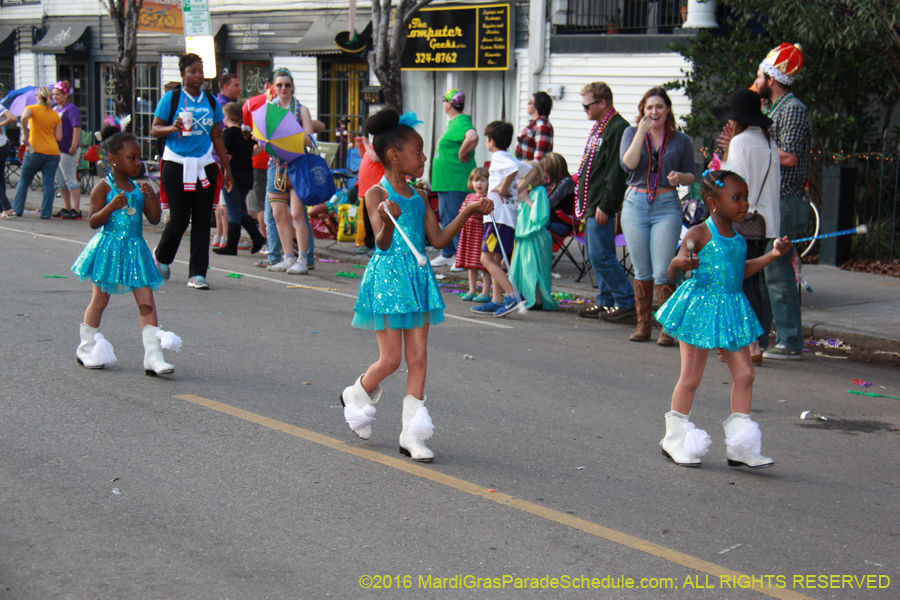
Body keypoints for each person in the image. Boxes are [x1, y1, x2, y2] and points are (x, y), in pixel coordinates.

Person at [340, 107, 493, 462]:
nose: (424, 158)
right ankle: (356, 392)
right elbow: (380, 243)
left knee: (419, 356)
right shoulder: (376, 194)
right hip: (389, 279)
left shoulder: (420, 197)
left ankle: (412, 434)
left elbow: (438, 240)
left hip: (418, 277)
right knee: (391, 359)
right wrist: (387, 220)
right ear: (395, 156)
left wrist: (468, 211)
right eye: (418, 151)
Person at [655, 170, 792, 468]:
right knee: (691, 378)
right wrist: (680, 262)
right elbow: (673, 272)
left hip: (730, 309)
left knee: (745, 375)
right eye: (736, 198)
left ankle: (741, 448)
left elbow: (739, 273)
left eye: (745, 197)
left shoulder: (740, 240)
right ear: (713, 203)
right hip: (701, 308)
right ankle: (674, 441)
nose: (744, 204)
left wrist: (772, 256)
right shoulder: (699, 233)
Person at [70, 132, 180, 376]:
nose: (137, 162)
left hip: (135, 250)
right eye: (131, 158)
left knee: (147, 303)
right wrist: (111, 206)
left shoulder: (140, 188)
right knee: (100, 299)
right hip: (109, 249)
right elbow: (93, 221)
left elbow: (153, 219)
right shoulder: (103, 187)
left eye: (138, 157)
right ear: (113, 159)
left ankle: (153, 356)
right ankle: (86, 347)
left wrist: (151, 199)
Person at [151, 52, 234, 290]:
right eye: (192, 71)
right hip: (176, 163)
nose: (198, 76)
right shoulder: (172, 97)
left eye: (200, 71)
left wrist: (226, 168)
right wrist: (171, 127)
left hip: (204, 164)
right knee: (178, 219)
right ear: (183, 74)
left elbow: (216, 135)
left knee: (201, 220)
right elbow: (155, 129)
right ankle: (162, 257)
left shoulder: (210, 100)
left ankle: (198, 273)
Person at [619, 87, 695, 345]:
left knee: (663, 270)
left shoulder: (680, 139)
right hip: (635, 202)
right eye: (649, 107)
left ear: (668, 110)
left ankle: (667, 327)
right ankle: (643, 325)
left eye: (659, 107)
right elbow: (628, 164)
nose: (654, 112)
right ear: (642, 110)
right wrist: (641, 132)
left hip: (666, 203)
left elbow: (691, 174)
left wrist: (680, 178)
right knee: (642, 268)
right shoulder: (631, 132)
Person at [715, 88, 781, 366]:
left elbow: (733, 184)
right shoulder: (768, 142)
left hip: (743, 219)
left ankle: (748, 344)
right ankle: (755, 345)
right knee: (751, 282)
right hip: (764, 221)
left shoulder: (741, 142)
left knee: (740, 282)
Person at [755, 43, 811, 361]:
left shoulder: (792, 109)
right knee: (765, 271)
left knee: (777, 271)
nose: (757, 79)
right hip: (771, 201)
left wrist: (751, 148)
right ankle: (759, 340)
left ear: (772, 79)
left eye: (761, 74)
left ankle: (790, 341)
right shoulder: (771, 109)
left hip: (786, 200)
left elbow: (788, 156)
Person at [573, 82, 634, 321]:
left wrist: (607, 205)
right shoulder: (601, 126)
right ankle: (607, 301)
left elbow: (615, 171)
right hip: (591, 202)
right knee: (596, 255)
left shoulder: (618, 128)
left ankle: (626, 301)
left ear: (602, 103)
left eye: (587, 105)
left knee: (602, 255)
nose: (584, 109)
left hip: (600, 203)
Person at [471, 121, 531, 318]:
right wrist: (518, 190)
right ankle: (497, 299)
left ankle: (513, 295)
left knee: (486, 258)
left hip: (499, 217)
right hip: (505, 217)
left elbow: (513, 168)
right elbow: (533, 170)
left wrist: (505, 189)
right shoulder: (508, 156)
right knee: (495, 258)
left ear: (491, 141)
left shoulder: (498, 157)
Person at [264, 68, 316, 275]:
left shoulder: (301, 110)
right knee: (278, 214)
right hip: (275, 165)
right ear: (273, 87)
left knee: (296, 213)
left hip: (297, 165)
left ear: (293, 86)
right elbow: (264, 138)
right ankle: (287, 257)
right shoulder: (270, 109)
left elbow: (310, 141)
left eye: (287, 84)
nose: (283, 88)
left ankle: (303, 259)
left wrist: (289, 133)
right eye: (279, 85)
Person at [430, 89, 478, 268]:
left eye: (444, 101)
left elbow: (473, 136)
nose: (443, 104)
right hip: (446, 180)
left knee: (455, 218)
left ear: (449, 104)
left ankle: (461, 256)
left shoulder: (461, 122)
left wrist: (462, 152)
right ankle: (448, 252)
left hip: (455, 179)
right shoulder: (453, 123)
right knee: (446, 216)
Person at [212, 102, 266, 256]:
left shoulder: (228, 134)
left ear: (226, 116)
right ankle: (256, 238)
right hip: (247, 175)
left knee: (234, 210)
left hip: (233, 175)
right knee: (239, 209)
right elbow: (254, 152)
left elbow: (224, 153)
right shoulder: (245, 134)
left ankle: (232, 246)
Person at [509, 160, 558, 311]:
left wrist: (526, 199)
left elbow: (540, 214)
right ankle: (525, 295)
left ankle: (537, 299)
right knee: (524, 269)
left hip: (535, 237)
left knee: (535, 270)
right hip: (524, 237)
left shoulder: (540, 191)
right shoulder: (527, 192)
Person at [10, 86, 62, 219]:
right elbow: (58, 137)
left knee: (24, 180)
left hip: (34, 150)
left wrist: (25, 134)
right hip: (52, 152)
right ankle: (45, 213)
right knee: (48, 183)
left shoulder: (31, 109)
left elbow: (23, 119)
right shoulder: (54, 114)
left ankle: (17, 209)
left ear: (37, 97)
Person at [455, 167, 493, 302]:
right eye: (476, 180)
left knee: (484, 264)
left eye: (483, 180)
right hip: (469, 234)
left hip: (481, 233)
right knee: (471, 264)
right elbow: (462, 212)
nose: (479, 184)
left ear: (489, 182)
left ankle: (485, 291)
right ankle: (471, 290)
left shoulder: (488, 198)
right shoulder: (469, 197)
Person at [50, 81, 84, 219]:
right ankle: (66, 207)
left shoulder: (71, 109)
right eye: (53, 94)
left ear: (66, 95)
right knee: (60, 179)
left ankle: (76, 208)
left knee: (70, 177)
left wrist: (73, 145)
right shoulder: (56, 109)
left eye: (58, 94)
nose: (55, 97)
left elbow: (76, 127)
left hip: (67, 148)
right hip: (56, 148)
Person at [354, 134, 384, 253]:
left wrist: (366, 144)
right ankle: (369, 242)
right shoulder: (371, 147)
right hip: (365, 190)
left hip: (375, 190)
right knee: (367, 219)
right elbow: (365, 157)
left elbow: (375, 158)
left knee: (376, 218)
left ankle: (378, 245)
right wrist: (361, 147)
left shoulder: (380, 147)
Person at [541, 152, 575, 238]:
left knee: (529, 225)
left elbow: (549, 203)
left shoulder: (566, 183)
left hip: (562, 225)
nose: (544, 174)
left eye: (545, 170)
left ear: (552, 170)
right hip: (548, 222)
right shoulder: (551, 183)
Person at [515, 91, 554, 161]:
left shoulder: (543, 126)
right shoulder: (535, 124)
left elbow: (539, 158)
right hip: (523, 168)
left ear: (538, 106)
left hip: (531, 170)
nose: (528, 104)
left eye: (530, 102)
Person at [0, 107, 16, 218]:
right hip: (4, 144)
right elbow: (12, 118)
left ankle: (6, 208)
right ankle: (2, 209)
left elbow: (12, 118)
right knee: (1, 178)